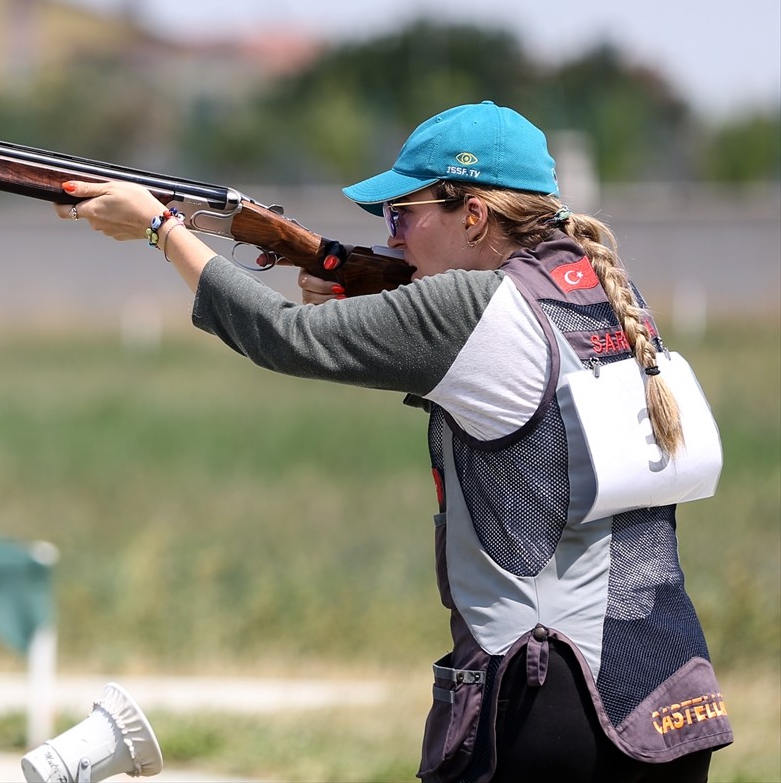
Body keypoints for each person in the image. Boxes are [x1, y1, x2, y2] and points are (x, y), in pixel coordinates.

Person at [55, 101, 731, 781]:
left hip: (540, 704)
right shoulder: (603, 291)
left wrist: (160, 228)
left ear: (472, 216)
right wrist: (358, 290)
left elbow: (285, 336)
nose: (394, 236)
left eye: (402, 214)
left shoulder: (471, 308)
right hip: (665, 695)